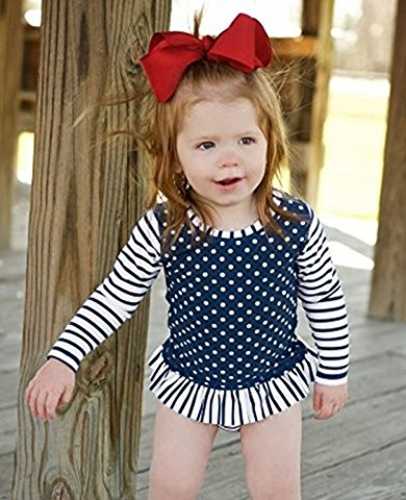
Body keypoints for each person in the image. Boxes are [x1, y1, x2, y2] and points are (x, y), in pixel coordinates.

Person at [25, 11, 350, 500]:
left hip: (272, 380)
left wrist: (334, 372)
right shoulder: (165, 228)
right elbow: (113, 298)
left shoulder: (293, 223)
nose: (229, 158)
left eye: (246, 140)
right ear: (174, 155)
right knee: (171, 486)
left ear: (270, 140)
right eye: (206, 144)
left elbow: (325, 300)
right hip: (190, 380)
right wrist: (62, 358)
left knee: (277, 490)